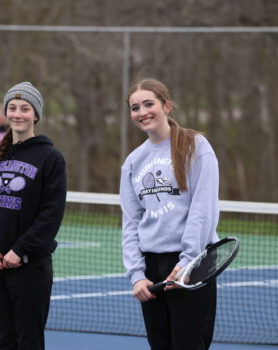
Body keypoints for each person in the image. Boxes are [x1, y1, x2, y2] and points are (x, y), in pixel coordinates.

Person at [119, 78, 220, 350]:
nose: (142, 112)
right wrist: (137, 275)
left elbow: (202, 209)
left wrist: (187, 262)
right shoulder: (132, 162)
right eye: (135, 107)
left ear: (166, 106)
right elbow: (131, 223)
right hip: (152, 270)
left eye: (149, 104)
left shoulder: (195, 145)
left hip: (193, 263)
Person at [0, 82, 67, 350]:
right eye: (12, 108)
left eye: (25, 108)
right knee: (6, 341)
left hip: (30, 269)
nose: (17, 114)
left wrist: (20, 250)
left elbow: (51, 214)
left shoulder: (51, 158)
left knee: (29, 342)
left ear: (35, 114)